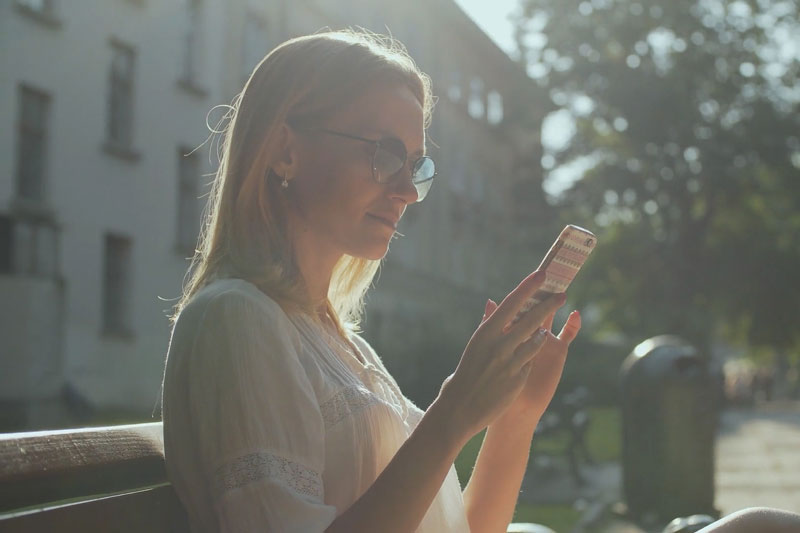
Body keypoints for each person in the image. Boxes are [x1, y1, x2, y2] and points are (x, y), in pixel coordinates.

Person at [160, 29, 800, 533]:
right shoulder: (236, 319)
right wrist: (450, 414)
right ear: (285, 150)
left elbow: (466, 529)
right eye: (383, 152)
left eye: (416, 165)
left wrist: (514, 417)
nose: (409, 191)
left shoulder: (338, 342)